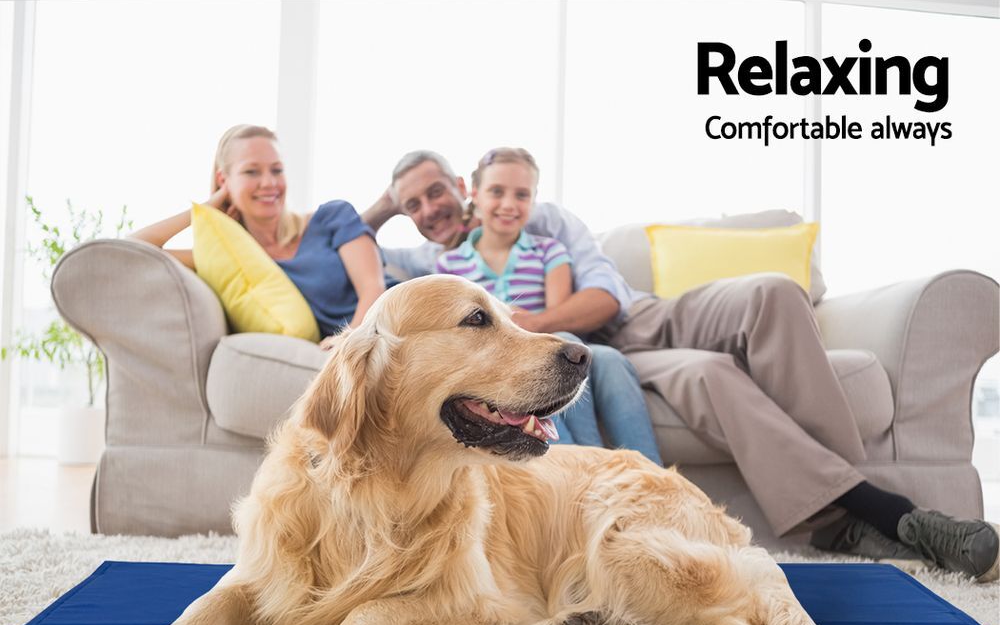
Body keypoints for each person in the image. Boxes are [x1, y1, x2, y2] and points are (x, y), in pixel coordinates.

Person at [362, 149, 999, 582]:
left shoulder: (539, 220)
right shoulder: (429, 267)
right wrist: (383, 208)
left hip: (638, 318)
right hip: (614, 359)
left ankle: (846, 510)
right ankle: (882, 513)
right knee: (712, 378)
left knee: (775, 291)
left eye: (435, 191)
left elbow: (603, 295)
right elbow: (340, 243)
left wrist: (533, 326)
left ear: (462, 186)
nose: (428, 209)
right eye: (411, 205)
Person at [434, 147, 662, 465]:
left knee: (610, 359)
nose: (509, 204)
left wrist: (533, 327)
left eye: (522, 195)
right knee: (573, 356)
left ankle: (650, 469)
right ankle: (585, 466)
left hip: (551, 343)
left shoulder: (549, 251)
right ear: (475, 193)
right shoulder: (449, 265)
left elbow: (557, 325)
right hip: (504, 359)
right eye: (497, 191)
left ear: (534, 200)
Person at [130, 124, 393, 346]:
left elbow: (373, 287)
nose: (269, 183)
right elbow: (131, 252)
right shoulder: (234, 261)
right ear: (223, 180)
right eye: (251, 171)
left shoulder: (332, 216)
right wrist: (205, 208)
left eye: (276, 170)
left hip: (394, 320)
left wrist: (349, 340)